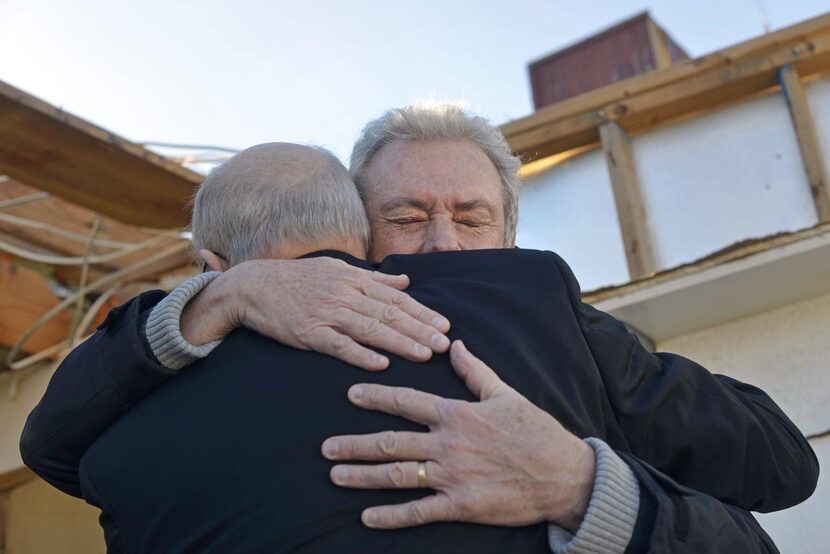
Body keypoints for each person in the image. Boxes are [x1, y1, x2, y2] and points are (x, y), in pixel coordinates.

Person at [21, 106, 817, 551]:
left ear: (513, 233)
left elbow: (780, 464)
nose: (442, 245)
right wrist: (225, 298)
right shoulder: (529, 306)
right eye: (406, 217)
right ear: (356, 233)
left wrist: (578, 480)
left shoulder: (555, 321)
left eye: (472, 220)